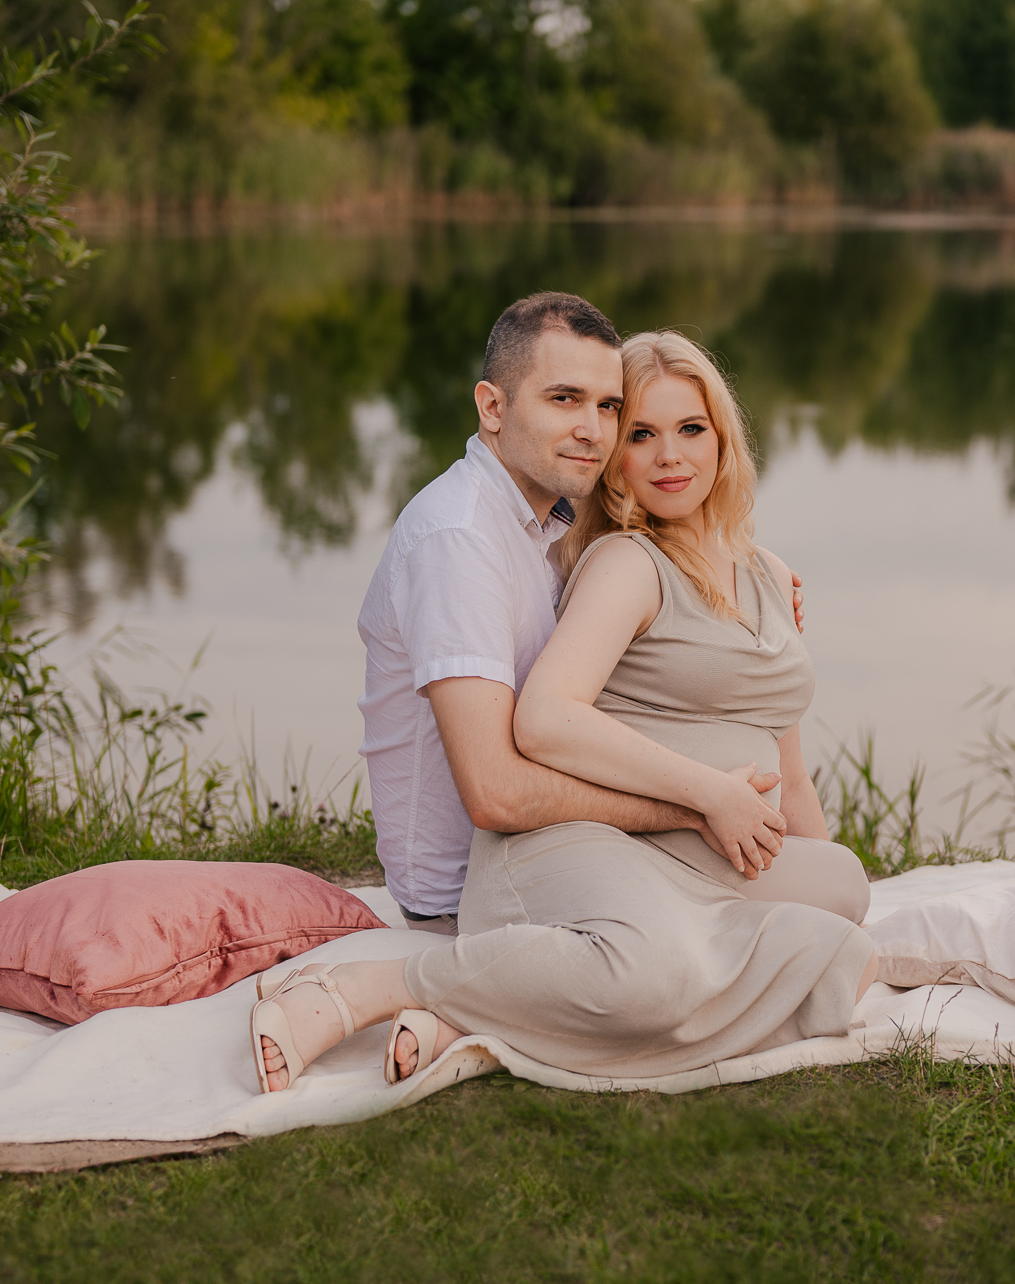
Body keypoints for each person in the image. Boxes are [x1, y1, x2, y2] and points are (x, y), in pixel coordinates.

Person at [253, 329, 874, 1088]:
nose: (669, 456)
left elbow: (791, 773)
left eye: (690, 428)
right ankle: (383, 987)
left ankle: (483, 1011)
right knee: (658, 975)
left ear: (724, 438)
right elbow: (542, 721)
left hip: (698, 852)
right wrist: (709, 795)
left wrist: (793, 854)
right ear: (617, 460)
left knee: (842, 900)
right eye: (640, 434)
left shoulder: (766, 575)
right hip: (591, 841)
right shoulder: (622, 562)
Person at [353, 292, 804, 937]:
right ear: (492, 407)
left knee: (821, 911)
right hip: (472, 894)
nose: (593, 430)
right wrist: (698, 804)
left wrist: (753, 592)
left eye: (608, 406)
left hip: (587, 854)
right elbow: (496, 794)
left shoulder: (553, 524)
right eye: (564, 399)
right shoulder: (458, 540)